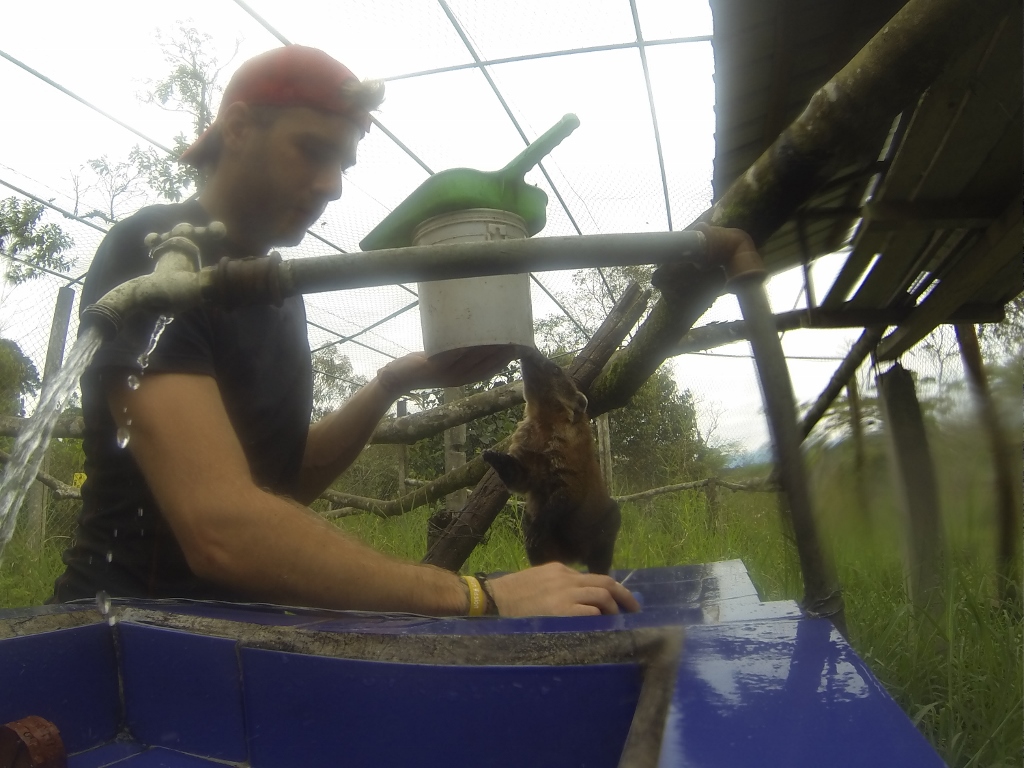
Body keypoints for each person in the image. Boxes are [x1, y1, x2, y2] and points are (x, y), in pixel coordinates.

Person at [51, 45, 638, 618]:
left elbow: (282, 480)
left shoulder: (275, 290)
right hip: (122, 631)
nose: (333, 184)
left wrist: (392, 381)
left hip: (224, 636)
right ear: (237, 127)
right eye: (312, 151)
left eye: (343, 165)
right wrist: (475, 595)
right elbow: (221, 527)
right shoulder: (165, 256)